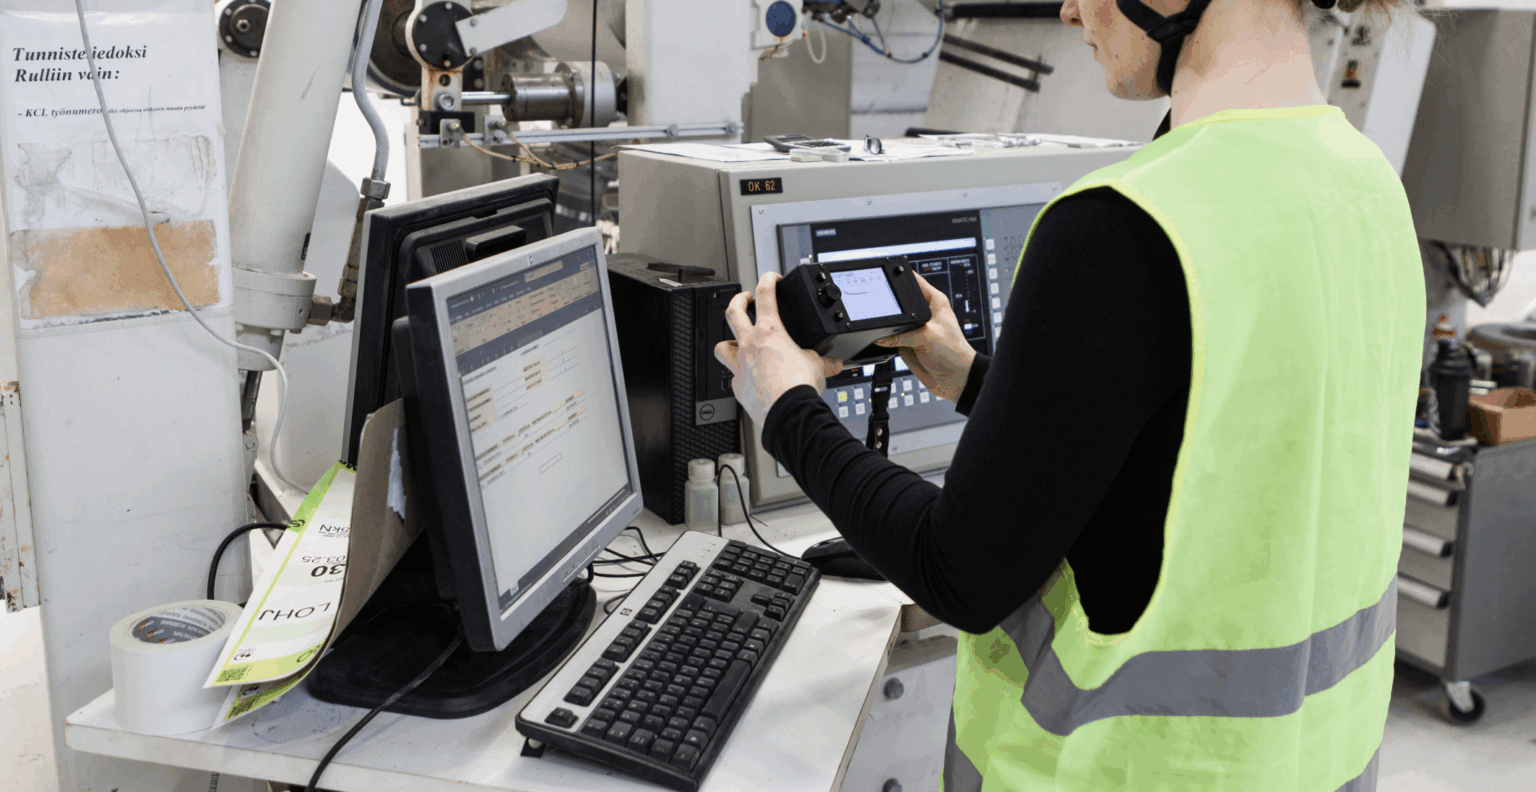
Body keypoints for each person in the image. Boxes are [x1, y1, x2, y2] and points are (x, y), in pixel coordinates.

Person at [714, 0, 1423, 787]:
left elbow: (957, 573)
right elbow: (1202, 452)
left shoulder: (1117, 224)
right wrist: (977, 379)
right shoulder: (1367, 184)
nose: (1069, 8)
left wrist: (787, 407)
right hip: (1316, 761)